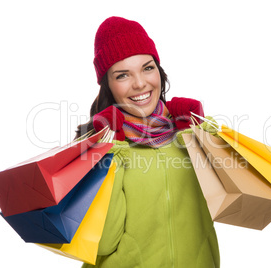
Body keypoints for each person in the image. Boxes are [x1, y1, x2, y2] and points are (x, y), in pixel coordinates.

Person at [77, 16, 220, 268]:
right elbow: (103, 243)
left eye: (147, 67)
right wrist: (111, 151)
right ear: (108, 85)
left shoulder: (188, 134)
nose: (140, 83)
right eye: (123, 75)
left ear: (159, 70)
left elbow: (230, 201)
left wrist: (200, 132)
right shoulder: (96, 146)